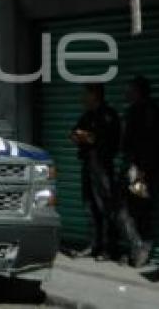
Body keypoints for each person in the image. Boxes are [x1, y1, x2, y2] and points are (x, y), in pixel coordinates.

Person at [70, 83, 121, 260]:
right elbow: (74, 134)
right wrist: (81, 137)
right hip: (88, 165)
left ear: (95, 95)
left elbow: (111, 141)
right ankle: (93, 245)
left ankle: (108, 249)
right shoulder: (87, 116)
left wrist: (90, 138)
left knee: (105, 207)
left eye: (86, 94)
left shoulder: (108, 115)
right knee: (89, 206)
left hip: (102, 167)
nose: (83, 98)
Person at [119, 76, 159, 267]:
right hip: (143, 169)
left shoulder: (140, 112)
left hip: (138, 170)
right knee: (136, 208)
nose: (126, 93)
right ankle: (139, 247)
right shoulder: (152, 111)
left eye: (129, 90)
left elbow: (133, 143)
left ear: (137, 91)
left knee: (133, 209)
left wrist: (140, 168)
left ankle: (141, 249)